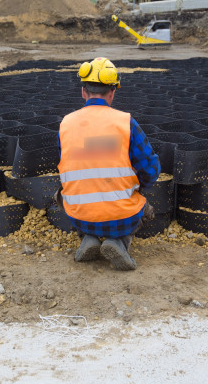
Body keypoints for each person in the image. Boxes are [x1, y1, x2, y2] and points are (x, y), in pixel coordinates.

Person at [58, 57, 160, 271]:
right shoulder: (125, 123)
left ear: (83, 92)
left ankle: (89, 238)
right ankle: (119, 243)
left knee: (62, 193)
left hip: (79, 214)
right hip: (121, 217)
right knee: (141, 205)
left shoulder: (66, 124)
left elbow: (66, 165)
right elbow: (151, 168)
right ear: (113, 92)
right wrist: (139, 187)